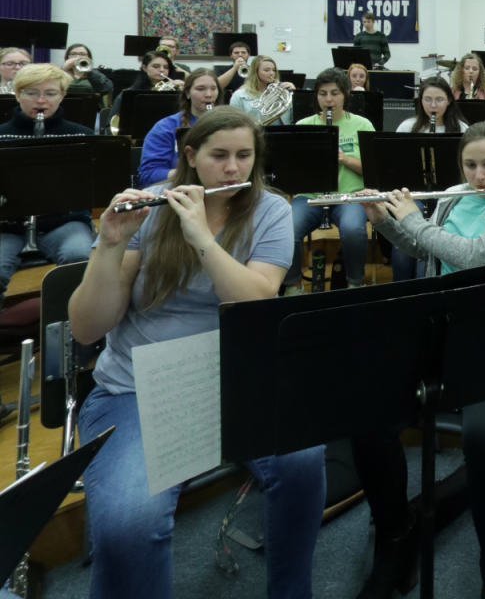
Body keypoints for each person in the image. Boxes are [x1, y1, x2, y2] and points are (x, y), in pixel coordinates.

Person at [69, 107, 326, 599]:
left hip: (234, 378)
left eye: (244, 156)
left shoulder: (270, 210)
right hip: (138, 389)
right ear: (191, 156)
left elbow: (255, 302)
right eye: (219, 156)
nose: (232, 168)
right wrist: (109, 245)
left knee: (303, 458)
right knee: (128, 522)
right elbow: (87, 328)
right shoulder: (153, 208)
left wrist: (202, 237)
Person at [355, 121, 485, 599]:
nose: (479, 176)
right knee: (365, 411)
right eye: (470, 165)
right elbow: (425, 246)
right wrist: (384, 221)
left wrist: (412, 218)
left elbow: (475, 256)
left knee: (484, 436)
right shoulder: (453, 197)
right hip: (440, 332)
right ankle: (397, 535)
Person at [0, 63, 95, 298]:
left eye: (50, 93)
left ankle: (68, 319)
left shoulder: (82, 136)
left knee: (78, 257)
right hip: (6, 225)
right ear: (17, 94)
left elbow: (92, 187)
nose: (41, 101)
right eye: (32, 93)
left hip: (63, 222)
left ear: (62, 95)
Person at [292, 69, 373, 288]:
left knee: (353, 230)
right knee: (288, 229)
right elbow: (293, 170)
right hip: (310, 195)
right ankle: (293, 285)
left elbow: (373, 170)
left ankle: (355, 282)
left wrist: (344, 158)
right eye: (323, 94)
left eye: (335, 93)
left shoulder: (362, 125)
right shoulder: (303, 126)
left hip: (350, 196)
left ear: (345, 95)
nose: (328, 99)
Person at [392, 76, 470, 280]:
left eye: (439, 100)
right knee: (404, 233)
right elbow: (396, 167)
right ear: (420, 101)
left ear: (449, 101)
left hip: (448, 196)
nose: (433, 106)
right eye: (428, 100)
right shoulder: (407, 127)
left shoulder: (462, 129)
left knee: (431, 237)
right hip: (415, 193)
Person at [138, 69, 221, 187]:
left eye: (213, 89)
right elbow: (148, 174)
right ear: (187, 93)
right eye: (200, 89)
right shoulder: (165, 127)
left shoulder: (228, 125)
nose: (209, 94)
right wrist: (192, 174)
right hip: (178, 190)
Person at [111, 51, 181, 122]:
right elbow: (112, 121)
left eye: (166, 67)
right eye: (156, 66)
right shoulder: (128, 94)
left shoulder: (175, 91)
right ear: (144, 68)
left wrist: (185, 91)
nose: (162, 70)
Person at [229, 55, 294, 127]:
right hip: (253, 132)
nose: (272, 73)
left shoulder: (283, 92)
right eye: (266, 70)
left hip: (283, 132)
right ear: (255, 72)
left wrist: (295, 94)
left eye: (274, 70)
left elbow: (293, 118)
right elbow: (234, 121)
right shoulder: (239, 95)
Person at [451, 52, 485, 123]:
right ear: (461, 71)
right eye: (467, 68)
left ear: (479, 73)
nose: (471, 71)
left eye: (475, 69)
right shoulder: (452, 92)